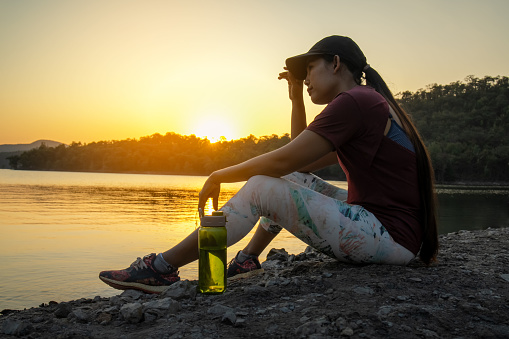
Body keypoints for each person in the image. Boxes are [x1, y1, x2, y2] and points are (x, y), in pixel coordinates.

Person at [99, 35, 439, 294]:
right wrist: (295, 100)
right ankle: (247, 258)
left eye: (309, 69)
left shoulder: (356, 102)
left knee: (262, 185)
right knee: (292, 179)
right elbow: (301, 163)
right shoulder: (370, 103)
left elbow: (286, 157)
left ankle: (161, 268)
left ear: (336, 64)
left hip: (386, 238)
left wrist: (220, 174)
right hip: (393, 236)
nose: (305, 80)